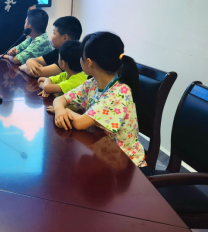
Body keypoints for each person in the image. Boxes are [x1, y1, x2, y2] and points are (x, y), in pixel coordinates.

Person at [48, 32, 146, 168]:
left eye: (81, 57)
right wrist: (59, 109)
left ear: (88, 62)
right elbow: (61, 99)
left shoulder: (120, 92)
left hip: (124, 163)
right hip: (100, 149)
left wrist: (64, 110)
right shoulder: (92, 84)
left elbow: (80, 123)